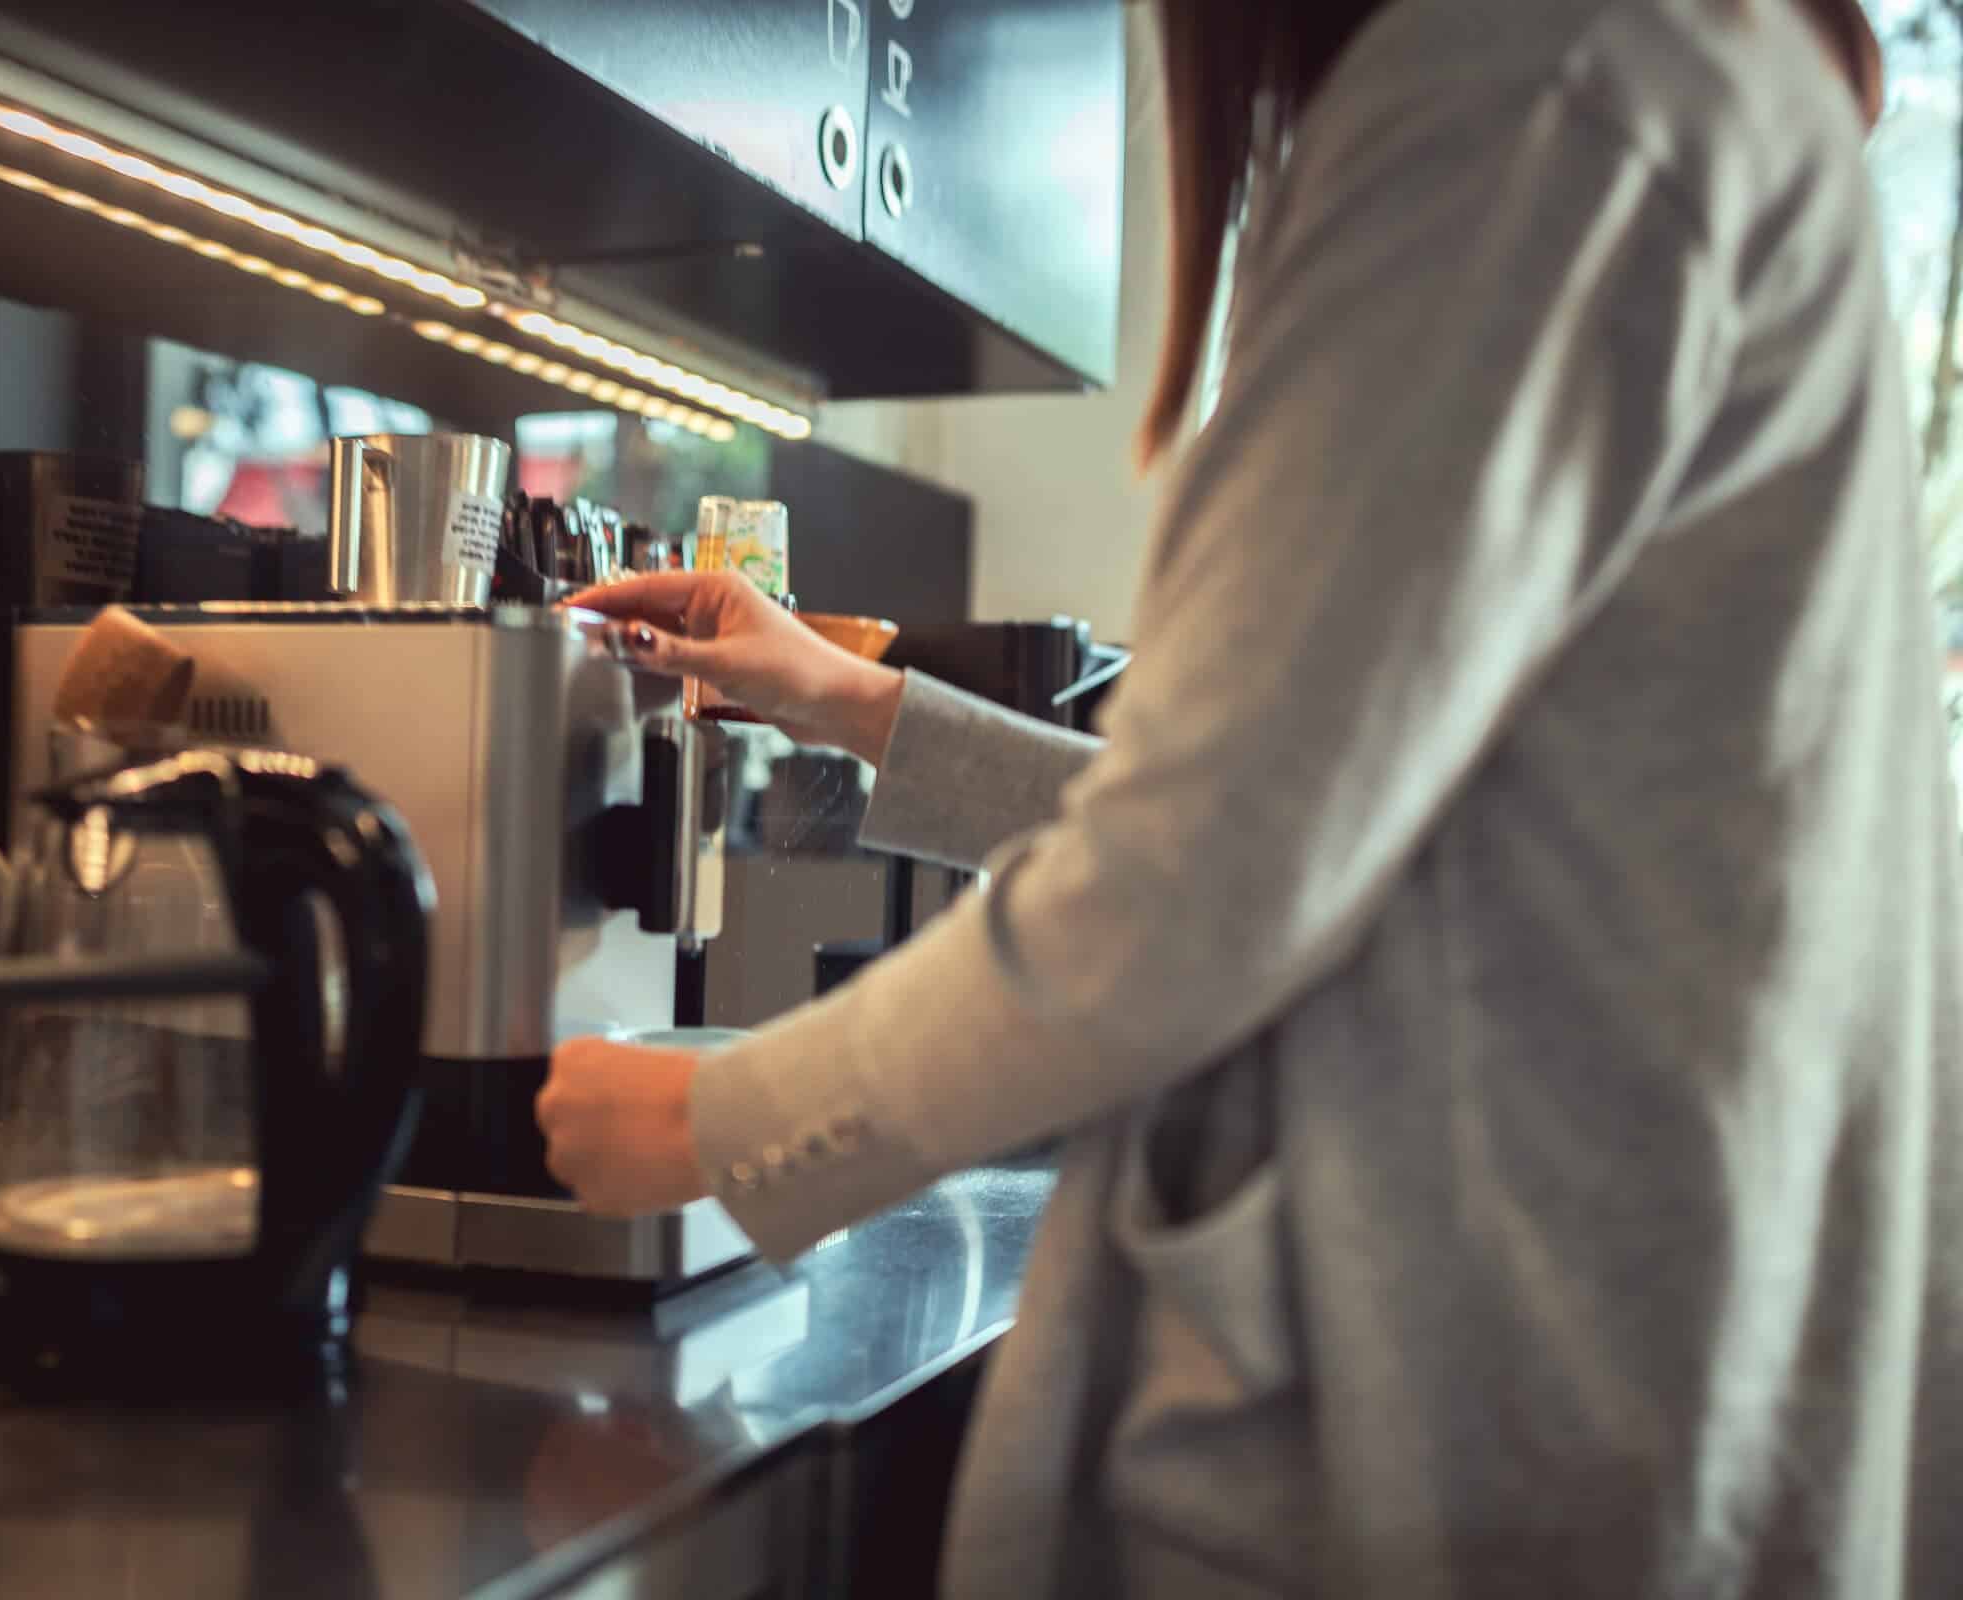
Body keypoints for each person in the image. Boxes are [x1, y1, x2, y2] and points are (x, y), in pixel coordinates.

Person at [538, 0, 1963, 1594]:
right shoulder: (1652, 70)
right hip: (1607, 1382)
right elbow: (1326, 834)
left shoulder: (1537, 79)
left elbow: (1205, 877)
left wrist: (721, 1123)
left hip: (1485, 1429)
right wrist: (854, 700)